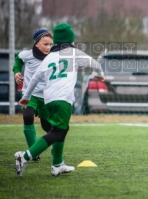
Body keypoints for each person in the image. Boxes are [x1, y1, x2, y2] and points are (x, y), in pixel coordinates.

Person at [14, 23, 105, 177]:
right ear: (71, 41)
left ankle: (57, 164)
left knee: (62, 129)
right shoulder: (74, 53)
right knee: (57, 132)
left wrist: (26, 97)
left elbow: (36, 77)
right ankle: (25, 156)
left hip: (48, 99)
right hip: (62, 99)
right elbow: (95, 64)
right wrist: (100, 74)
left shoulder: (50, 56)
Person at [13, 29, 53, 161]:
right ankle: (33, 153)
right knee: (28, 116)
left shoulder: (53, 56)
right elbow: (18, 58)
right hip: (30, 95)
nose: (48, 47)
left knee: (47, 125)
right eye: (45, 44)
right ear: (36, 44)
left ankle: (56, 146)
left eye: (50, 44)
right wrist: (17, 71)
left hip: (47, 96)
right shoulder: (27, 54)